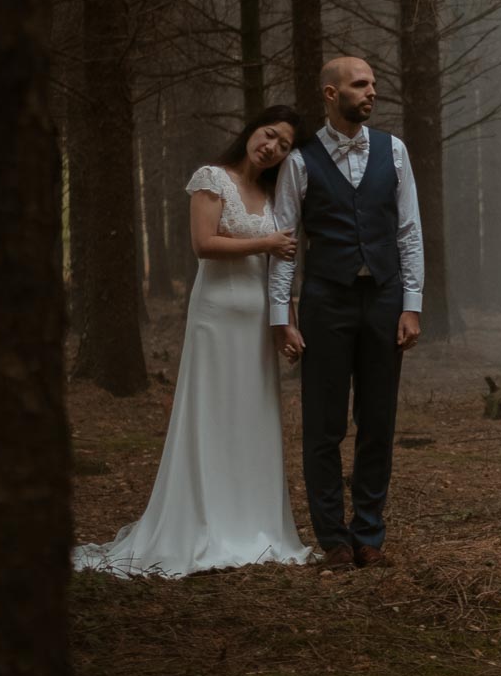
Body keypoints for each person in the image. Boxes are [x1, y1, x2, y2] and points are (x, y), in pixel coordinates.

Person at [74, 106, 314, 577]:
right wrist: (264, 244)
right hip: (216, 317)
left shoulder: (273, 194)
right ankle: (206, 522)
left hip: (258, 321)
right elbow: (204, 243)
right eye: (270, 135)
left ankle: (253, 523)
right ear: (252, 130)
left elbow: (280, 269)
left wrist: (287, 321)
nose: (272, 148)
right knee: (213, 411)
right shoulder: (212, 177)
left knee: (253, 415)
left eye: (284, 146)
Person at [269, 56, 425, 570]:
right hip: (326, 302)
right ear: (332, 94)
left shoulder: (393, 151)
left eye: (374, 84)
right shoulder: (300, 159)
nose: (371, 92)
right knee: (324, 424)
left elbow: (408, 232)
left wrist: (411, 305)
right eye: (361, 85)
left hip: (383, 300)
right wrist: (282, 316)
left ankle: (369, 534)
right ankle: (334, 538)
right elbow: (286, 243)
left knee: (377, 420)